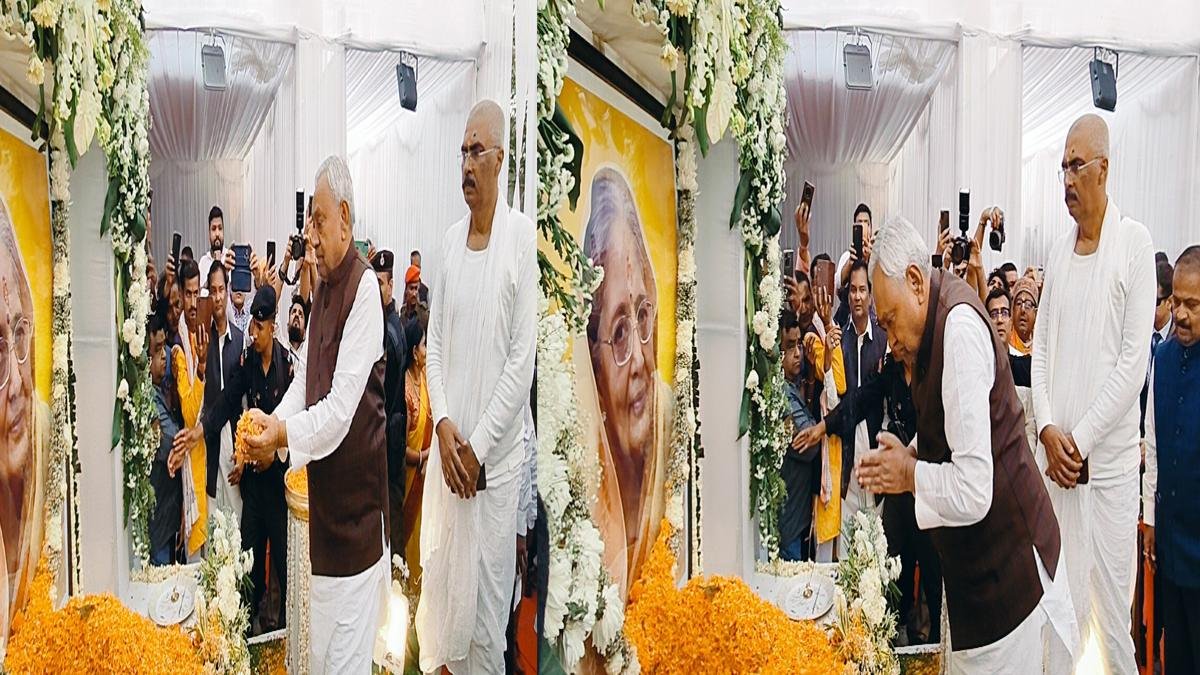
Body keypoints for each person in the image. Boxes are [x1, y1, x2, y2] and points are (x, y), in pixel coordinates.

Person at [862, 215, 1077, 672]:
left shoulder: (957, 331)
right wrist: (913, 451)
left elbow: (975, 489)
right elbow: (952, 420)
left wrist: (909, 474)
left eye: (890, 320)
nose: (890, 340)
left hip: (1009, 579)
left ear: (916, 281)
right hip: (982, 579)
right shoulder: (933, 323)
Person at [241, 155, 389, 672]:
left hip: (357, 531)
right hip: (326, 529)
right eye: (309, 223)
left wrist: (281, 434)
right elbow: (304, 380)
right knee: (324, 662)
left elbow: (339, 414)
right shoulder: (323, 285)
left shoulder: (363, 290)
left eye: (319, 220)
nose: (311, 235)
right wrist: (269, 420)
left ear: (344, 218)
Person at [415, 99, 536, 674]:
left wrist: (477, 446)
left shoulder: (521, 240)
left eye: (476, 151)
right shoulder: (446, 243)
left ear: (500, 159)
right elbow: (434, 345)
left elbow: (521, 360)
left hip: (492, 472)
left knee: (487, 628)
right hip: (449, 464)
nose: (466, 163)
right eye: (462, 151)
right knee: (444, 616)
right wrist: (442, 426)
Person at [1031, 114, 1155, 674]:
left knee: (1109, 626)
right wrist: (1046, 429)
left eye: (1075, 166)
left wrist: (1077, 440)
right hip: (1057, 466)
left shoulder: (1134, 244)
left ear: (1103, 169)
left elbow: (1132, 365)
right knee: (1055, 611)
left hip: (1104, 475)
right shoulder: (1059, 252)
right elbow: (1041, 352)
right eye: (1062, 167)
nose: (1067, 179)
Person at [576, 166, 673, 605]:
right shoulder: (580, 478)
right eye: (617, 332)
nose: (637, 359)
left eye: (643, 315)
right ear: (593, 364)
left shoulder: (669, 420)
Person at [178, 286, 293, 633]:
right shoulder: (248, 362)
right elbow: (228, 399)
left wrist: (276, 453)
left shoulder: (287, 366)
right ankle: (244, 633)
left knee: (285, 567)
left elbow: (297, 420)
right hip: (255, 487)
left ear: (272, 325)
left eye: (260, 326)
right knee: (249, 564)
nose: (253, 333)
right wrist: (200, 431)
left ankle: (284, 635)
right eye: (252, 325)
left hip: (279, 485)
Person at [1142, 246, 1200, 674]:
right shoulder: (1160, 359)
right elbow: (1154, 444)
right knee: (1175, 656)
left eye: (1192, 305)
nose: (1179, 314)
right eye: (1176, 301)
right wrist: (1150, 519)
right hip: (1170, 541)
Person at [835, 261, 887, 557]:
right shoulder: (839, 340)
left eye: (862, 290)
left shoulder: (883, 340)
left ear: (870, 295)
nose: (857, 296)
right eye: (852, 290)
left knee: (875, 545)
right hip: (846, 455)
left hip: (875, 451)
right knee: (847, 546)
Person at [165, 258, 209, 561]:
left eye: (197, 293)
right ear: (180, 294)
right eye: (188, 294)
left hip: (206, 454)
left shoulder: (199, 333)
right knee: (195, 559)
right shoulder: (179, 345)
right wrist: (201, 369)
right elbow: (191, 414)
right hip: (191, 457)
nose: (193, 302)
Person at [371, 249, 409, 558]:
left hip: (387, 446)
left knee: (390, 536)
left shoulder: (388, 331)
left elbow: (380, 395)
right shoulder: (391, 322)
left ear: (391, 285)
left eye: (382, 283)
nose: (378, 289)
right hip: (391, 443)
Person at [200, 262, 244, 518]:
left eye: (220, 290)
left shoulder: (239, 340)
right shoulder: (202, 340)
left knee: (236, 520)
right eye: (212, 291)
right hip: (209, 441)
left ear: (227, 291)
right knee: (212, 519)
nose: (217, 297)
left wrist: (243, 450)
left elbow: (245, 403)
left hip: (234, 445)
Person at [778, 310, 821, 562]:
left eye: (799, 345)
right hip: (790, 525)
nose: (798, 354)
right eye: (790, 346)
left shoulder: (793, 387)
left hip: (796, 518)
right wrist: (818, 426)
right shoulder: (782, 396)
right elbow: (809, 445)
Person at [148, 313, 183, 566]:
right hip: (159, 520)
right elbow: (172, 441)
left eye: (164, 348)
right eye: (158, 350)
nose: (165, 357)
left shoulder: (162, 387)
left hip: (169, 513)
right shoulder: (150, 401)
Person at [400, 317, 432, 586]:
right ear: (414, 352)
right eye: (424, 345)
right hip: (412, 479)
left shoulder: (427, 378)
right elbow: (402, 450)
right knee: (411, 537)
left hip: (428, 480)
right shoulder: (406, 390)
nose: (427, 350)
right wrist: (425, 455)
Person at [1141, 260, 1175, 435]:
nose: (1147, 306)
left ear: (1169, 302)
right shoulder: (1138, 330)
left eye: (1154, 301)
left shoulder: (1179, 340)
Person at [834, 203, 873, 327]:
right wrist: (850, 263)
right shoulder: (847, 256)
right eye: (859, 222)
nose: (863, 226)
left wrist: (870, 260)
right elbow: (837, 285)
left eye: (866, 223)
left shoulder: (877, 257)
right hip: (847, 320)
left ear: (871, 228)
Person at [198, 206, 225, 300]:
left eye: (220, 228)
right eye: (213, 229)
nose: (217, 234)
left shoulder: (230, 259)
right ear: (209, 233)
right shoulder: (203, 262)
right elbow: (199, 296)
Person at [1009, 275, 1038, 357]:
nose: (1023, 310)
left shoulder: (1040, 346)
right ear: (1012, 310)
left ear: (1035, 313)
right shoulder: (1005, 343)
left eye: (1028, 304)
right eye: (1018, 303)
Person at [400, 264, 430, 330]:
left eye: (416, 288)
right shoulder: (403, 313)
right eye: (411, 288)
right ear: (406, 290)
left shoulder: (423, 314)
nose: (414, 294)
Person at [286, 293, 309, 372]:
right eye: (294, 312)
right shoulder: (280, 347)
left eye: (300, 314)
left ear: (305, 332)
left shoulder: (308, 355)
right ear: (287, 325)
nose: (296, 315)